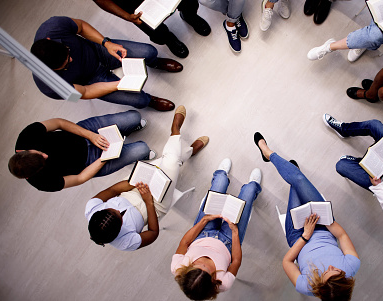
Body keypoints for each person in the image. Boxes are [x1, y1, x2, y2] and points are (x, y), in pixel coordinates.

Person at [85, 106, 209, 251]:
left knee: (169, 161)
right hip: (155, 206)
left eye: (113, 209)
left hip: (132, 187)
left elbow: (113, 190)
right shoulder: (126, 243)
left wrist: (135, 183)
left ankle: (185, 151)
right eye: (120, 217)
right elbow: (153, 233)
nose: (119, 211)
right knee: (171, 160)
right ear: (118, 231)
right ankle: (176, 133)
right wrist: (148, 201)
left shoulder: (91, 208)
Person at [254, 132, 360, 300]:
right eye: (337, 270)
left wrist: (305, 236)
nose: (331, 266)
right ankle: (269, 154)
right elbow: (341, 235)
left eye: (327, 272)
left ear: (321, 288)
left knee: (297, 182)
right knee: (297, 179)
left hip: (298, 236)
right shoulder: (352, 265)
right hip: (324, 225)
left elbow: (287, 262)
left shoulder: (306, 286)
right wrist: (325, 220)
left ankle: (280, 162)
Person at [31, 16, 181, 111]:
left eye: (68, 53)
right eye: (65, 65)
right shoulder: (48, 87)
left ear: (50, 40)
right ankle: (150, 101)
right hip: (90, 80)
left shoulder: (53, 26)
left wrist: (106, 43)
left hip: (98, 49)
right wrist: (118, 84)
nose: (71, 60)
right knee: (139, 99)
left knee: (149, 52)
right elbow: (85, 92)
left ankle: (154, 62)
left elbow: (81, 26)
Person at [171, 158, 262, 300]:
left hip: (203, 232)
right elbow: (236, 260)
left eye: (195, 265)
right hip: (229, 240)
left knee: (220, 182)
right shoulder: (223, 283)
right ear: (213, 280)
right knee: (249, 192)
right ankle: (253, 185)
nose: (201, 262)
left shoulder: (178, 268)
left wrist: (203, 221)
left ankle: (221, 174)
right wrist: (235, 232)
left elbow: (184, 243)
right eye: (206, 268)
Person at [9, 110, 153, 192]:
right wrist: (103, 159)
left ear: (25, 151)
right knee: (142, 149)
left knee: (134, 117)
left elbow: (60, 122)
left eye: (40, 154)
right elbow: (80, 178)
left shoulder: (26, 136)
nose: (46, 155)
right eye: (43, 160)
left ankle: (126, 131)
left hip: (84, 133)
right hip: (90, 162)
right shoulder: (41, 183)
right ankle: (123, 140)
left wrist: (91, 135)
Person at [93, 0, 211, 58]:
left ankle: (189, 15)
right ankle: (168, 38)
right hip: (130, 2)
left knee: (188, 2)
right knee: (155, 30)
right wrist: (127, 16)